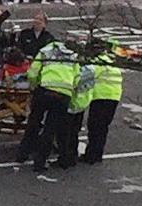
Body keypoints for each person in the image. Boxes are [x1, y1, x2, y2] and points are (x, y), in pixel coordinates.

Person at [16, 41, 78, 173]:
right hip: (63, 94)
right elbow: (77, 77)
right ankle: (40, 163)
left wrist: (34, 86)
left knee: (34, 122)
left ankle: (22, 154)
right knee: (50, 129)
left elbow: (33, 72)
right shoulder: (72, 55)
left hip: (45, 90)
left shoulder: (45, 51)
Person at [82, 45, 124, 163]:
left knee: (94, 127)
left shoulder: (96, 64)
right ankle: (98, 154)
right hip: (114, 97)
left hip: (100, 97)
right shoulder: (111, 64)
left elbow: (84, 78)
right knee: (103, 127)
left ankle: (91, 156)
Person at [60, 59, 96, 169]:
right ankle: (72, 156)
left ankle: (66, 159)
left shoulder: (77, 71)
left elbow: (72, 83)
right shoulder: (91, 70)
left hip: (72, 104)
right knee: (74, 132)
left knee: (66, 133)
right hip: (81, 104)